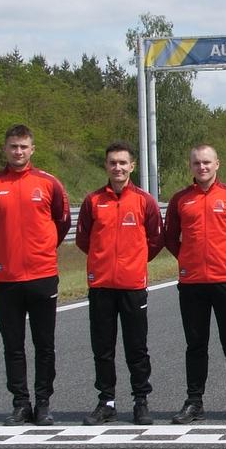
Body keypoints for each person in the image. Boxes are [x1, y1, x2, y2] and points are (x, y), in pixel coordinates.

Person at [0, 124, 71, 425]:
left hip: (42, 275)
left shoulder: (49, 183)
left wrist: (42, 249)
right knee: (13, 345)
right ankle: (20, 403)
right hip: (6, 278)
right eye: (13, 146)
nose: (18, 151)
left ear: (32, 149)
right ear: (5, 149)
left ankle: (43, 403)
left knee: (45, 345)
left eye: (23, 146)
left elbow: (62, 221)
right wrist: (5, 249)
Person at [161, 143, 226, 425]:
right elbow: (170, 237)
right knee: (195, 345)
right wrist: (188, 259)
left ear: (217, 164)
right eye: (197, 163)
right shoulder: (180, 199)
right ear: (190, 166)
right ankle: (194, 402)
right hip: (192, 283)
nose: (202, 167)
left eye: (207, 162)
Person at [74, 143, 163, 426]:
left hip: (132, 285)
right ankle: (106, 402)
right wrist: (101, 261)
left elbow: (156, 239)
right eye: (113, 162)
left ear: (132, 166)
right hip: (101, 285)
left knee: (137, 347)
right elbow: (83, 240)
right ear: (106, 165)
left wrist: (134, 262)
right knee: (103, 348)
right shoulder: (92, 201)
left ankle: (141, 401)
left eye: (123, 163)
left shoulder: (144, 200)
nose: (118, 168)